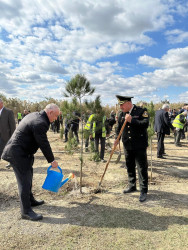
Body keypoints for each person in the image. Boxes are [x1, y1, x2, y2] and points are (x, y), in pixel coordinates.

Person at [2, 103, 60, 221]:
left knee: (29, 176)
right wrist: (52, 160)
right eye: (56, 116)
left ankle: (31, 200)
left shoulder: (35, 115)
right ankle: (26, 211)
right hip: (18, 154)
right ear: (50, 113)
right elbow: (43, 143)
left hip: (24, 153)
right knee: (24, 181)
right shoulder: (40, 123)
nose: (56, 119)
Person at [114, 95, 149, 202]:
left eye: (122, 105)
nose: (120, 107)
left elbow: (145, 124)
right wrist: (116, 139)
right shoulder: (121, 114)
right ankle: (132, 185)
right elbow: (118, 128)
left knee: (141, 167)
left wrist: (132, 121)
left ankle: (143, 190)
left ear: (128, 103)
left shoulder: (141, 111)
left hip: (139, 145)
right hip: (127, 144)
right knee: (129, 165)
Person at [0, 98, 16, 168]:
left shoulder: (8, 112)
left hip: (6, 135)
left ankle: (12, 162)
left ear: (1, 103)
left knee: (9, 150)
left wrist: (13, 136)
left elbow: (12, 125)